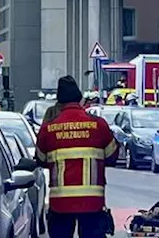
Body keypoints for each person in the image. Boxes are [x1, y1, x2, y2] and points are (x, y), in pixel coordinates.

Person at [36, 75, 118, 238]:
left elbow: (41, 159)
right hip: (92, 203)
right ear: (80, 99)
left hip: (60, 204)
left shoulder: (48, 129)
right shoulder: (98, 125)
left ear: (59, 103)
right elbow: (112, 155)